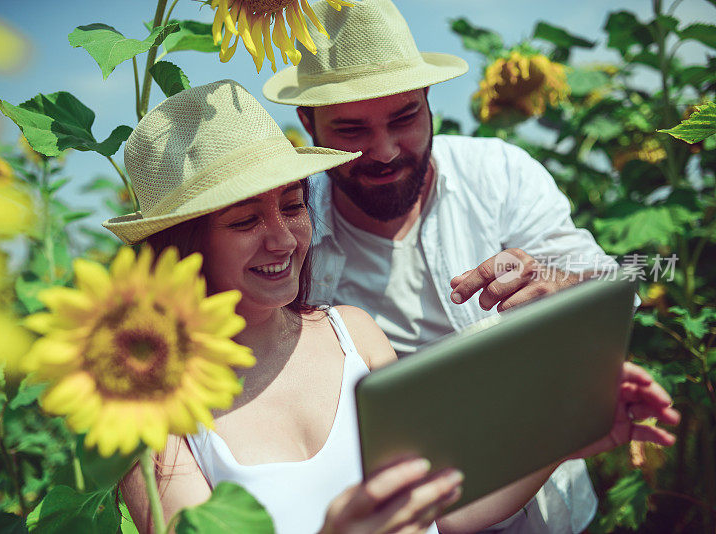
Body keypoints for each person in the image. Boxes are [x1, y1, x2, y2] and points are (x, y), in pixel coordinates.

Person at [109, 81, 678, 534]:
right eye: (245, 221)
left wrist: (569, 432)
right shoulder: (151, 414)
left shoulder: (351, 331)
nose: (283, 240)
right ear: (181, 246)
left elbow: (446, 511)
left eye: (291, 206)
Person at [262, 0, 652, 531]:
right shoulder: (291, 226)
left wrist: (557, 285)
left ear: (429, 102)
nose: (383, 151)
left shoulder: (498, 173)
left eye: (403, 118)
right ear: (307, 123)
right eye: (351, 130)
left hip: (548, 501)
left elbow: (617, 287)